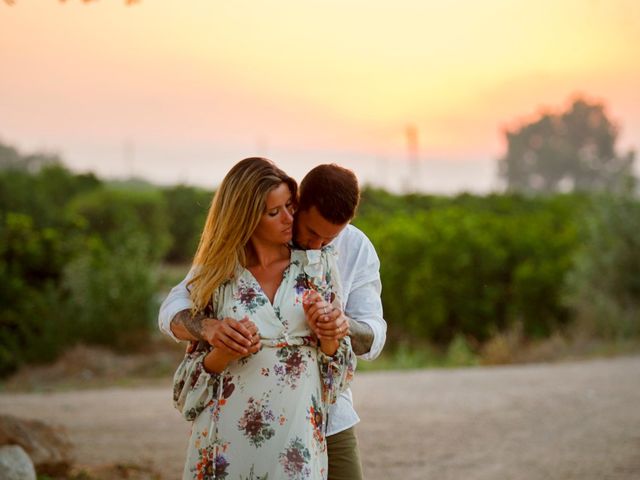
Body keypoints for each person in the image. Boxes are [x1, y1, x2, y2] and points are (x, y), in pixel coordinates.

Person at [160, 163, 386, 480]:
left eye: (329, 240)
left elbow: (373, 336)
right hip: (236, 428)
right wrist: (210, 330)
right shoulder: (232, 261)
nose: (317, 246)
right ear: (299, 203)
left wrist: (339, 326)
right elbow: (175, 306)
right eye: (310, 232)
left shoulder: (352, 249)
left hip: (323, 417)